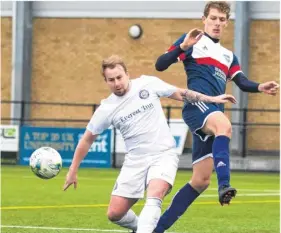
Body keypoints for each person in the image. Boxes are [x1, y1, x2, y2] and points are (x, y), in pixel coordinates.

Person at [63, 55, 236, 233]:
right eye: (111, 80)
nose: (117, 83)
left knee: (155, 195)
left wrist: (211, 100)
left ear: (127, 74)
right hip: (135, 161)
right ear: (106, 81)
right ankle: (145, 227)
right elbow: (86, 139)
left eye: (119, 77)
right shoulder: (106, 109)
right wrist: (72, 170)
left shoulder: (147, 84)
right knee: (115, 213)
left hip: (163, 155)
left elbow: (182, 93)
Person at [153, 1, 279, 232]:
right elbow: (160, 65)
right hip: (197, 106)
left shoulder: (229, 56)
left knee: (200, 181)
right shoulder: (192, 41)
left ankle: (155, 229)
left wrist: (260, 86)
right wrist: (182, 46)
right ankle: (225, 185)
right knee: (225, 126)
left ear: (227, 23)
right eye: (213, 18)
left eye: (222, 20)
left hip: (213, 113)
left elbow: (241, 82)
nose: (217, 23)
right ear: (204, 19)